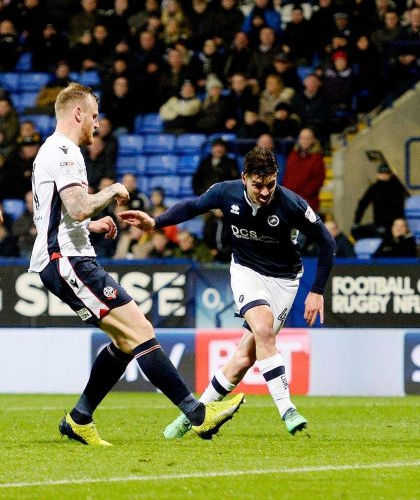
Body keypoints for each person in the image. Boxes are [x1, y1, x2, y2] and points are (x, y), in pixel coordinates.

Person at [30, 83, 244, 446]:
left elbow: (62, 211)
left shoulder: (51, 150)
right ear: (77, 113)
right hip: (66, 260)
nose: (96, 125)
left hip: (65, 256)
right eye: (94, 116)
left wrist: (91, 225)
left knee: (127, 341)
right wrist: (112, 190)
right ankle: (198, 414)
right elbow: (79, 205)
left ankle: (80, 418)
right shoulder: (65, 151)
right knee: (141, 330)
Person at [120, 146, 336, 437]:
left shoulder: (292, 205)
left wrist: (317, 290)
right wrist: (155, 222)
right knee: (263, 328)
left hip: (285, 280)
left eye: (270, 184)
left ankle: (189, 419)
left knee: (244, 359)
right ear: (244, 178)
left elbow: (327, 243)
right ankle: (287, 409)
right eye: (258, 185)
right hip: (246, 270)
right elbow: (192, 206)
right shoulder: (225, 193)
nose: (264, 192)